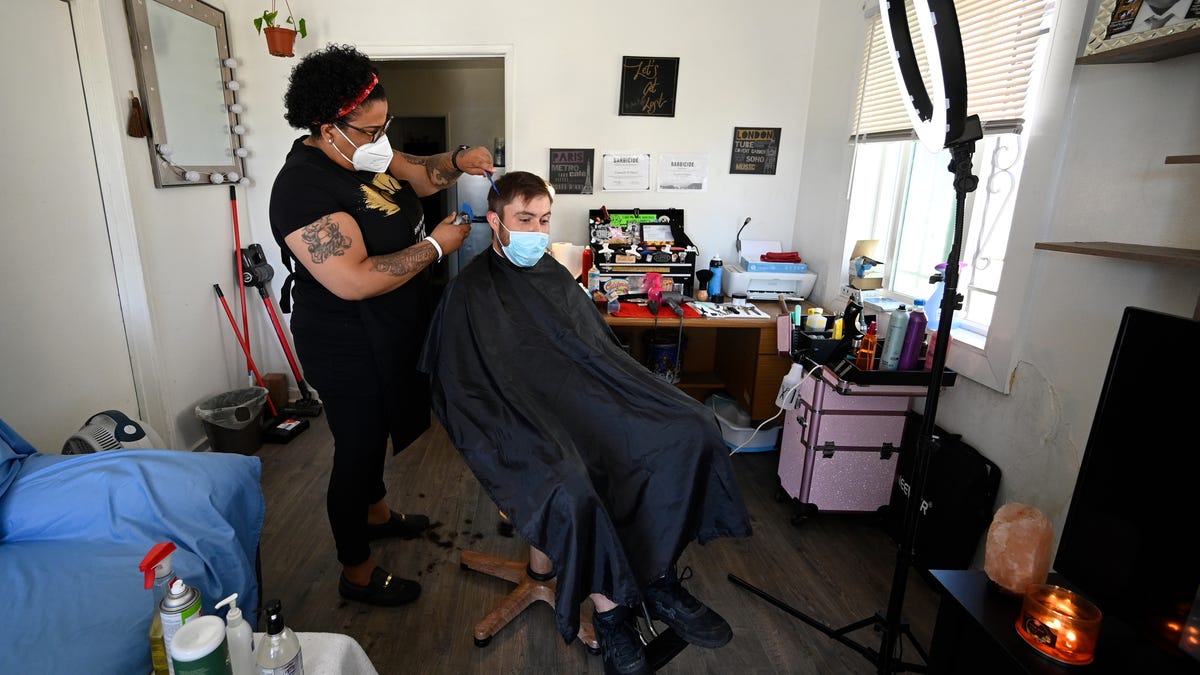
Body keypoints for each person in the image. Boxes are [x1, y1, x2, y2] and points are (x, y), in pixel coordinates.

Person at [419, 171, 752, 675]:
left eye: (544, 219)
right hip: (517, 420)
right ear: (496, 222)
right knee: (574, 483)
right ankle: (612, 614)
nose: (537, 229)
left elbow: (596, 353)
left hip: (584, 403)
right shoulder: (468, 293)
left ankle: (658, 580)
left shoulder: (554, 276)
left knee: (690, 428)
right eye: (524, 219)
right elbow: (466, 389)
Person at [268, 44, 493, 607]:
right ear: (327, 126)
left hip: (391, 328)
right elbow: (355, 279)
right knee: (356, 450)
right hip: (346, 341)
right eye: (371, 130)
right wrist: (435, 248)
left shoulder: (366, 154)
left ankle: (377, 513)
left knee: (379, 435)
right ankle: (357, 571)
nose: (381, 139)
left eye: (384, 125)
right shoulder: (304, 187)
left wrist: (458, 162)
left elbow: (420, 176)